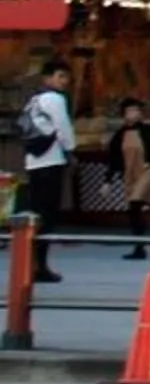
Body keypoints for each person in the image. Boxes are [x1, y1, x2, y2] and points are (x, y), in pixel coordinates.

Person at [14, 62, 75, 281]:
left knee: (36, 214)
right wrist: (71, 150)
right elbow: (63, 127)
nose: (64, 81)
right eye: (60, 76)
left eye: (66, 77)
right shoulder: (55, 99)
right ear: (47, 78)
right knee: (47, 217)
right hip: (51, 160)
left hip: (34, 161)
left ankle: (32, 264)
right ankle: (40, 266)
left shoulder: (34, 99)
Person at [106, 96, 150, 260]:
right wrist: (108, 181)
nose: (134, 114)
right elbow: (113, 159)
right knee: (133, 210)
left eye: (137, 111)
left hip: (146, 171)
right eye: (130, 111)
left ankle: (139, 246)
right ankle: (138, 245)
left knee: (135, 202)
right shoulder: (119, 135)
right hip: (129, 175)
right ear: (124, 115)